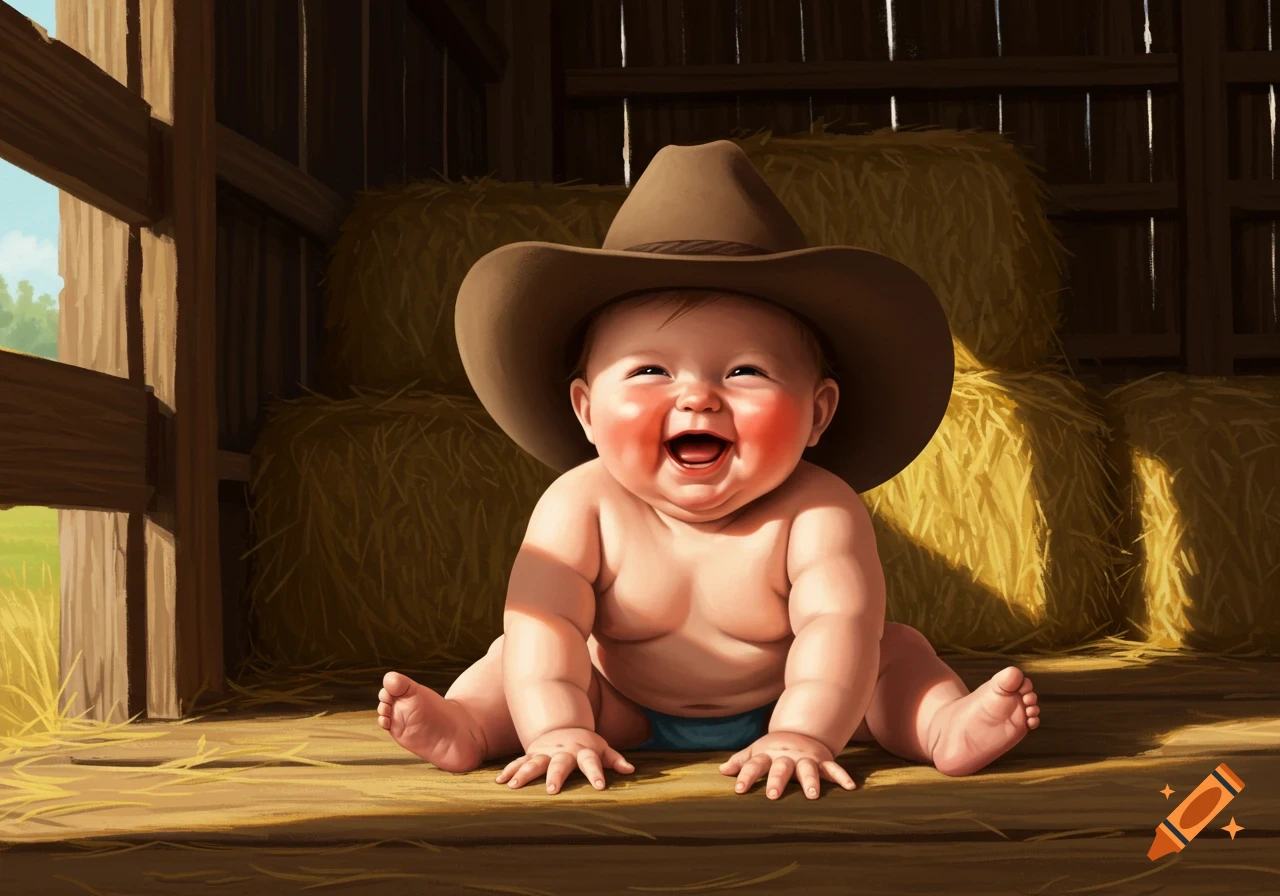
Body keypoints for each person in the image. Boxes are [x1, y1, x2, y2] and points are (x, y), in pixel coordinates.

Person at [377, 140, 1040, 800]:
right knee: (515, 659)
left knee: (893, 656)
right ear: (585, 410)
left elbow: (837, 628)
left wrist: (804, 732)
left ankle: (940, 725)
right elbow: (544, 624)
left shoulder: (820, 510)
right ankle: (470, 723)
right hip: (621, 706)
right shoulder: (579, 504)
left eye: (745, 370)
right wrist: (557, 729)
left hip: (793, 700)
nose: (697, 397)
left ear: (818, 413)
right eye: (650, 371)